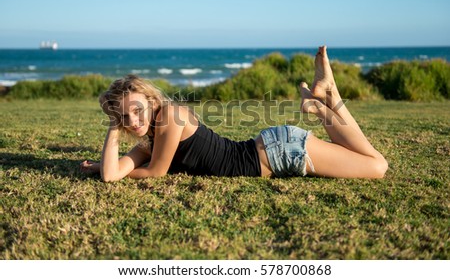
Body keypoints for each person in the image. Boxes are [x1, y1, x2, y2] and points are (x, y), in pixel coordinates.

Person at [80, 46, 388, 181]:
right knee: (367, 160)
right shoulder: (151, 137)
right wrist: (110, 138)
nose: (132, 121)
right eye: (123, 118)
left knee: (377, 167)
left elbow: (151, 172)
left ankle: (324, 103)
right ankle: (326, 96)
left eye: (136, 110)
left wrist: (114, 171)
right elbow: (113, 172)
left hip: (279, 153)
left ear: (150, 101)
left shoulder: (170, 116)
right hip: (272, 149)